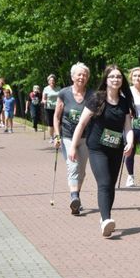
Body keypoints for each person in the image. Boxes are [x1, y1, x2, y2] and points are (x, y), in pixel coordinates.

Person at [69, 65, 135, 237]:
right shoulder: (97, 98)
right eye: (112, 76)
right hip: (97, 148)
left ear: (122, 80)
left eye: (118, 77)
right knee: (104, 183)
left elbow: (128, 127)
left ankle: (105, 217)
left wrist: (130, 142)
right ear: (106, 80)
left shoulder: (124, 102)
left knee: (111, 185)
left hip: (116, 148)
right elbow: (82, 123)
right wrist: (73, 147)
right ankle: (106, 219)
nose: (115, 79)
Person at [54, 62, 92, 215]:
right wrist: (57, 135)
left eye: (85, 75)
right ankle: (74, 196)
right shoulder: (64, 93)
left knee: (81, 171)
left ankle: (76, 200)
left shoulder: (91, 95)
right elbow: (56, 117)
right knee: (73, 166)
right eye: (79, 74)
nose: (82, 77)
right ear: (72, 77)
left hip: (86, 138)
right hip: (68, 137)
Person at [42, 74, 61, 143]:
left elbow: (61, 97)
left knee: (58, 122)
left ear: (55, 81)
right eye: (50, 80)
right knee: (50, 124)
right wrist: (44, 101)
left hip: (57, 108)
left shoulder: (59, 88)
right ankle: (51, 137)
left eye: (53, 80)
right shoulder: (46, 89)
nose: (52, 82)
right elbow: (43, 99)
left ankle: (57, 137)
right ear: (48, 81)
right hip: (48, 108)